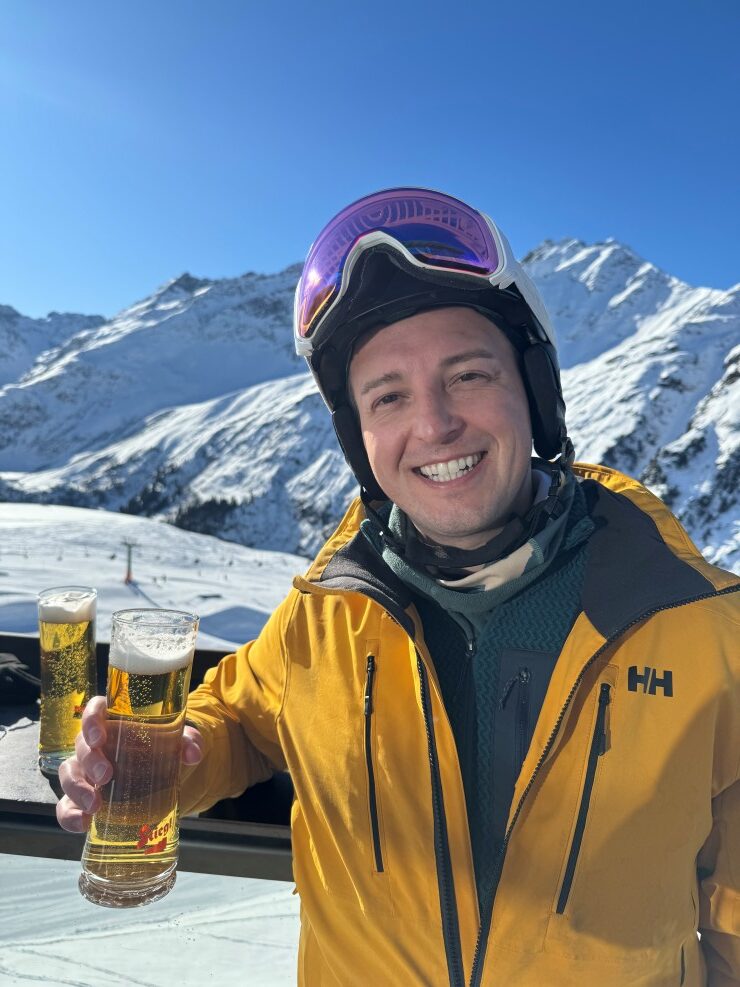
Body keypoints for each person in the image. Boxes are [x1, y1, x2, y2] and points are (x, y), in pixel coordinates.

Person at [57, 187, 739, 986]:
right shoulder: (329, 610)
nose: (435, 424)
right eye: (389, 397)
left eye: (469, 374)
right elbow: (239, 715)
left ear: (535, 394)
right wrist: (180, 753)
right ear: (360, 438)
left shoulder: (701, 627)